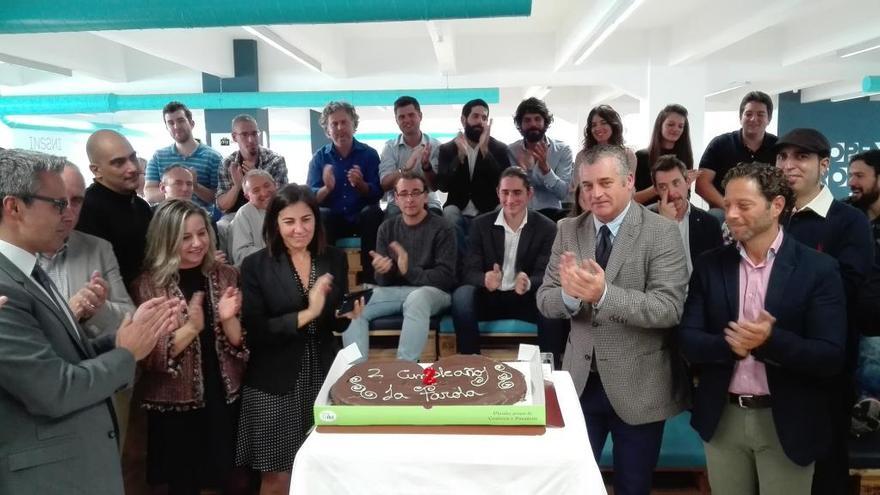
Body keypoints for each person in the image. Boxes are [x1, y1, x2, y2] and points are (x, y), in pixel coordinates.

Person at [0, 149, 176, 494]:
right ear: (14, 207)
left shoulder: (28, 270)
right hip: (49, 476)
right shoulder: (5, 287)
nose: (68, 216)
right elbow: (54, 390)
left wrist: (118, 339)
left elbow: (63, 355)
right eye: (57, 205)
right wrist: (126, 354)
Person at [678, 162, 847, 495]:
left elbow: (830, 355)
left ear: (777, 206)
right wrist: (731, 346)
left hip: (788, 421)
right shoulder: (711, 265)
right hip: (722, 419)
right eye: (727, 205)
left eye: (744, 205)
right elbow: (687, 340)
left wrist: (771, 341)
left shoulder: (818, 269)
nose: (731, 214)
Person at [536, 144, 690, 495]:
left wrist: (603, 295)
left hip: (639, 386)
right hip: (579, 384)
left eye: (605, 182)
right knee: (572, 485)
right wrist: (570, 296)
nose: (596, 193)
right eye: (587, 185)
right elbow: (545, 300)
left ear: (629, 181)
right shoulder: (567, 230)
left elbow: (668, 308)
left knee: (633, 487)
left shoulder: (661, 232)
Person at [236, 184, 361, 495]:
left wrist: (344, 317)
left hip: (323, 374)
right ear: (275, 224)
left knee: (326, 471)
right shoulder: (255, 266)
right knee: (278, 477)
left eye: (306, 220)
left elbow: (332, 323)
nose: (299, 229)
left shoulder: (333, 258)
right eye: (289, 222)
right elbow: (256, 331)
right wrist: (309, 311)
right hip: (273, 382)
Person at [774, 128, 873, 494]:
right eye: (783, 157)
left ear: (824, 165)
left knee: (825, 472)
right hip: (769, 367)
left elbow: (844, 291)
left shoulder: (850, 221)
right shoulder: (771, 216)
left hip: (823, 373)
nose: (789, 165)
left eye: (801, 157)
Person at [130, 200, 248, 495]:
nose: (197, 243)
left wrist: (228, 319)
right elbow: (148, 357)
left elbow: (241, 344)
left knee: (229, 478)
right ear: (166, 239)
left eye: (201, 233)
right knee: (183, 482)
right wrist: (192, 328)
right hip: (174, 406)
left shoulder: (226, 274)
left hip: (223, 395)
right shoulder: (149, 284)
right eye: (185, 238)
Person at [452, 167, 566, 366]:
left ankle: (549, 371)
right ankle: (471, 365)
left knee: (552, 301)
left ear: (529, 194)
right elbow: (468, 271)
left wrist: (530, 282)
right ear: (498, 193)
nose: (510, 199)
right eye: (505, 193)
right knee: (462, 296)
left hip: (526, 298)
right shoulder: (480, 225)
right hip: (489, 297)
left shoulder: (547, 228)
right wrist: (484, 279)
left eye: (517, 193)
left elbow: (548, 274)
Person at [343, 172, 457, 362]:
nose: (409, 199)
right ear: (396, 198)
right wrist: (384, 271)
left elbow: (445, 278)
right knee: (354, 303)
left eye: (415, 193)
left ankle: (404, 371)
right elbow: (382, 282)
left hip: (434, 293)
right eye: (403, 194)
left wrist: (408, 270)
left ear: (425, 196)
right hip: (395, 292)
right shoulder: (386, 228)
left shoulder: (443, 228)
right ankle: (355, 376)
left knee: (417, 298)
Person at [306, 101, 383, 283]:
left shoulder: (369, 154)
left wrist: (361, 185)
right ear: (327, 130)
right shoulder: (319, 158)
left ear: (353, 125)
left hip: (361, 218)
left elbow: (378, 192)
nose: (340, 128)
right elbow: (309, 198)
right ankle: (329, 283)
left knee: (373, 213)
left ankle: (370, 282)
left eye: (344, 122)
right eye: (334, 124)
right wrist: (327, 189)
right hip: (334, 220)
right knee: (322, 215)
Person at [77, 130, 153, 290]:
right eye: (119, 163)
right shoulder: (85, 211)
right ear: (96, 170)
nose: (132, 168)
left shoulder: (141, 206)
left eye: (133, 157)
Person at [436, 98, 511, 252]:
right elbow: (442, 186)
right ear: (464, 120)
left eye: (484, 118)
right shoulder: (447, 149)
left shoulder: (499, 149)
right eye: (475, 117)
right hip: (458, 207)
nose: (480, 122)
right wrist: (460, 157)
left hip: (488, 206)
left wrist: (485, 152)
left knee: (502, 211)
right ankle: (463, 264)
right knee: (449, 214)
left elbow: (505, 185)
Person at [695, 91, 777, 214]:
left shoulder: (779, 147)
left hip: (764, 212)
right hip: (725, 210)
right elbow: (702, 184)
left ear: (769, 119)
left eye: (760, 114)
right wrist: (730, 207)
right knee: (715, 216)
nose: (754, 119)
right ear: (740, 118)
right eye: (748, 114)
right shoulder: (719, 144)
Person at [648, 155, 723, 273]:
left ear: (688, 182)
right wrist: (665, 224)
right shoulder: (644, 220)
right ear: (656, 190)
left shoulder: (709, 223)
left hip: (697, 290)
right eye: (663, 187)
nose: (672, 193)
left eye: (676, 183)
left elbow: (717, 271)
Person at [144, 101, 222, 213]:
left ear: (192, 123)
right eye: (171, 123)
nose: (176, 126)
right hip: (168, 220)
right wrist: (173, 190)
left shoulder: (213, 157)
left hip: (201, 221)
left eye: (181, 121)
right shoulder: (158, 157)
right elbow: (149, 194)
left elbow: (218, 198)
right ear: (166, 127)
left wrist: (195, 186)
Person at [507, 97, 573, 221]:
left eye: (537, 119)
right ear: (520, 124)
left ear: (545, 122)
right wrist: (522, 173)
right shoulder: (512, 151)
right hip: (521, 216)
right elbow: (509, 191)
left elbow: (562, 193)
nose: (533, 124)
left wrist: (546, 169)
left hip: (552, 216)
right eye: (527, 120)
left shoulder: (562, 150)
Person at [378, 96, 442, 217]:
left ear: (420, 116)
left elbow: (435, 187)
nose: (407, 120)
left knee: (436, 221)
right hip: (398, 205)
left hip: (429, 201)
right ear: (396, 120)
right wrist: (406, 167)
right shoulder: (390, 147)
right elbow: (384, 185)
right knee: (392, 220)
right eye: (401, 117)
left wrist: (426, 166)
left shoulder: (435, 146)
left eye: (411, 115)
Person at [216, 114, 288, 215]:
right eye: (244, 135)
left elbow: (282, 200)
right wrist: (237, 186)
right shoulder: (227, 164)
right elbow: (222, 205)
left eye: (254, 134)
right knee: (221, 226)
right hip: (234, 217)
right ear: (234, 137)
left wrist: (257, 176)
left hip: (268, 214)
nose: (251, 139)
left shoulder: (275, 160)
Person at [635, 104, 695, 204]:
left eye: (681, 126)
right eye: (671, 124)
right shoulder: (641, 157)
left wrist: (685, 185)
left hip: (676, 213)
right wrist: (659, 187)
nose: (676, 129)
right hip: (647, 214)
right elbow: (632, 200)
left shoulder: (685, 157)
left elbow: (686, 196)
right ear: (660, 125)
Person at [230, 169, 277, 266]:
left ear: (275, 185)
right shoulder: (244, 213)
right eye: (256, 190)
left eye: (267, 185)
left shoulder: (288, 205)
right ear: (247, 197)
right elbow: (241, 253)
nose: (264, 193)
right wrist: (275, 255)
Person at [575, 104, 637, 172]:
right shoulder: (582, 156)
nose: (598, 128)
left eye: (603, 123)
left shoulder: (627, 155)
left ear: (613, 125)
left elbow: (630, 181)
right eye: (594, 125)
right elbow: (577, 182)